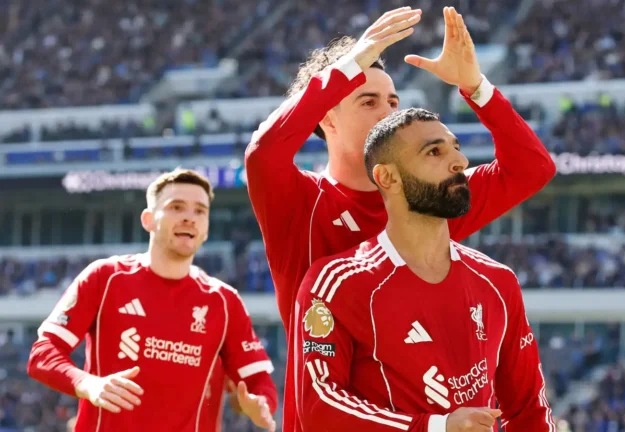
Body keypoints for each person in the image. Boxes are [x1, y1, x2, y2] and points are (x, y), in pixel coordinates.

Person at [246, 7, 555, 431]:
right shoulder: (300, 201)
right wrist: (349, 65)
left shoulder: (427, 196)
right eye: (368, 101)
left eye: (393, 101)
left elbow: (531, 168)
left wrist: (475, 87)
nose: (388, 112)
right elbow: (263, 153)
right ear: (326, 117)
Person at [292, 107, 554, 431]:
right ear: (387, 177)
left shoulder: (498, 281)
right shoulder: (335, 284)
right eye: (434, 152)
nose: (460, 162)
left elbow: (529, 410)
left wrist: (478, 89)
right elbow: (320, 407)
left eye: (456, 148)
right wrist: (436, 427)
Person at [27, 169, 279, 431]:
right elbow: (43, 353)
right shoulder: (105, 278)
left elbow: (258, 381)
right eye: (176, 207)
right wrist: (88, 384)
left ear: (206, 229)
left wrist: (260, 403)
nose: (189, 217)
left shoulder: (224, 301)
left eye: (200, 211)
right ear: (148, 220)